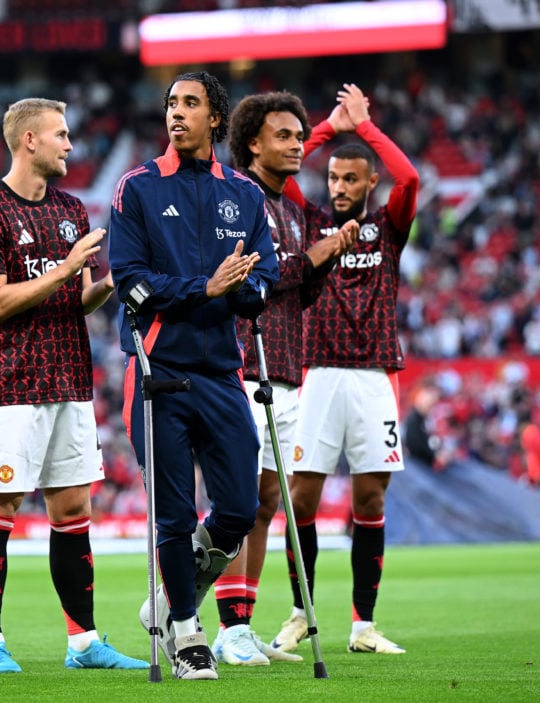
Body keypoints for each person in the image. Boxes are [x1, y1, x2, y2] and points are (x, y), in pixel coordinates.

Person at [0, 97, 147, 674]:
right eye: (61, 135)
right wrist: (65, 269)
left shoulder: (69, 209)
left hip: (69, 380)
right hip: (8, 384)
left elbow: (79, 297)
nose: (70, 144)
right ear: (29, 141)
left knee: (72, 509)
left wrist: (114, 281)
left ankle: (84, 643)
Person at [108, 71, 280, 680]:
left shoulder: (246, 194)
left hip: (222, 372)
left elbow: (266, 277)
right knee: (175, 515)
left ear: (216, 117)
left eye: (190, 103)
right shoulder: (137, 189)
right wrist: (203, 288)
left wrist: (244, 294)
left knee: (239, 505)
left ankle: (173, 595)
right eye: (170, 104)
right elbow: (128, 280)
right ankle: (186, 632)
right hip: (158, 371)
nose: (176, 113)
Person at [209, 90, 359, 667]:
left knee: (268, 501)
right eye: (284, 136)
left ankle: (236, 624)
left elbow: (299, 292)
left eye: (302, 137)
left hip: (290, 368)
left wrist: (325, 260)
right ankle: (205, 614)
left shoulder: (294, 210)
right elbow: (256, 279)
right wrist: (316, 257)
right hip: (244, 362)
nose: (298, 145)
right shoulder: (235, 200)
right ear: (252, 143)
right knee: (237, 500)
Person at [270, 83, 420, 656]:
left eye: (350, 179)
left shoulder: (388, 227)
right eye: (333, 178)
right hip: (319, 374)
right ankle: (300, 614)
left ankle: (363, 626)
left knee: (370, 503)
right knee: (301, 501)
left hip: (376, 375)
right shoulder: (309, 223)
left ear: (368, 182)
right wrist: (329, 128)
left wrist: (367, 128)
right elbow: (281, 174)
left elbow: (410, 180)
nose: (338, 187)